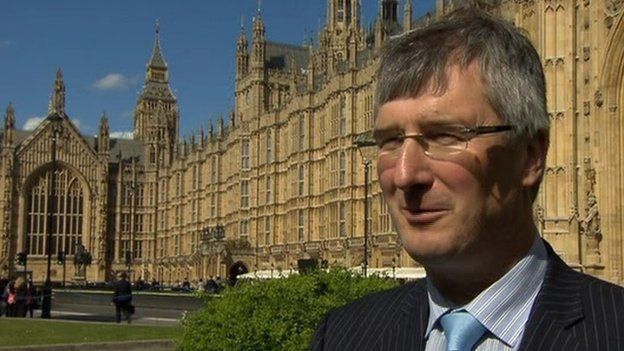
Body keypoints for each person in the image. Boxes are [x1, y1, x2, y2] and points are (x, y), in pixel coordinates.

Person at [310, 8, 624, 351]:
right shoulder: (341, 336)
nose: (404, 174)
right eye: (390, 140)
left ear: (530, 156)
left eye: (445, 135)